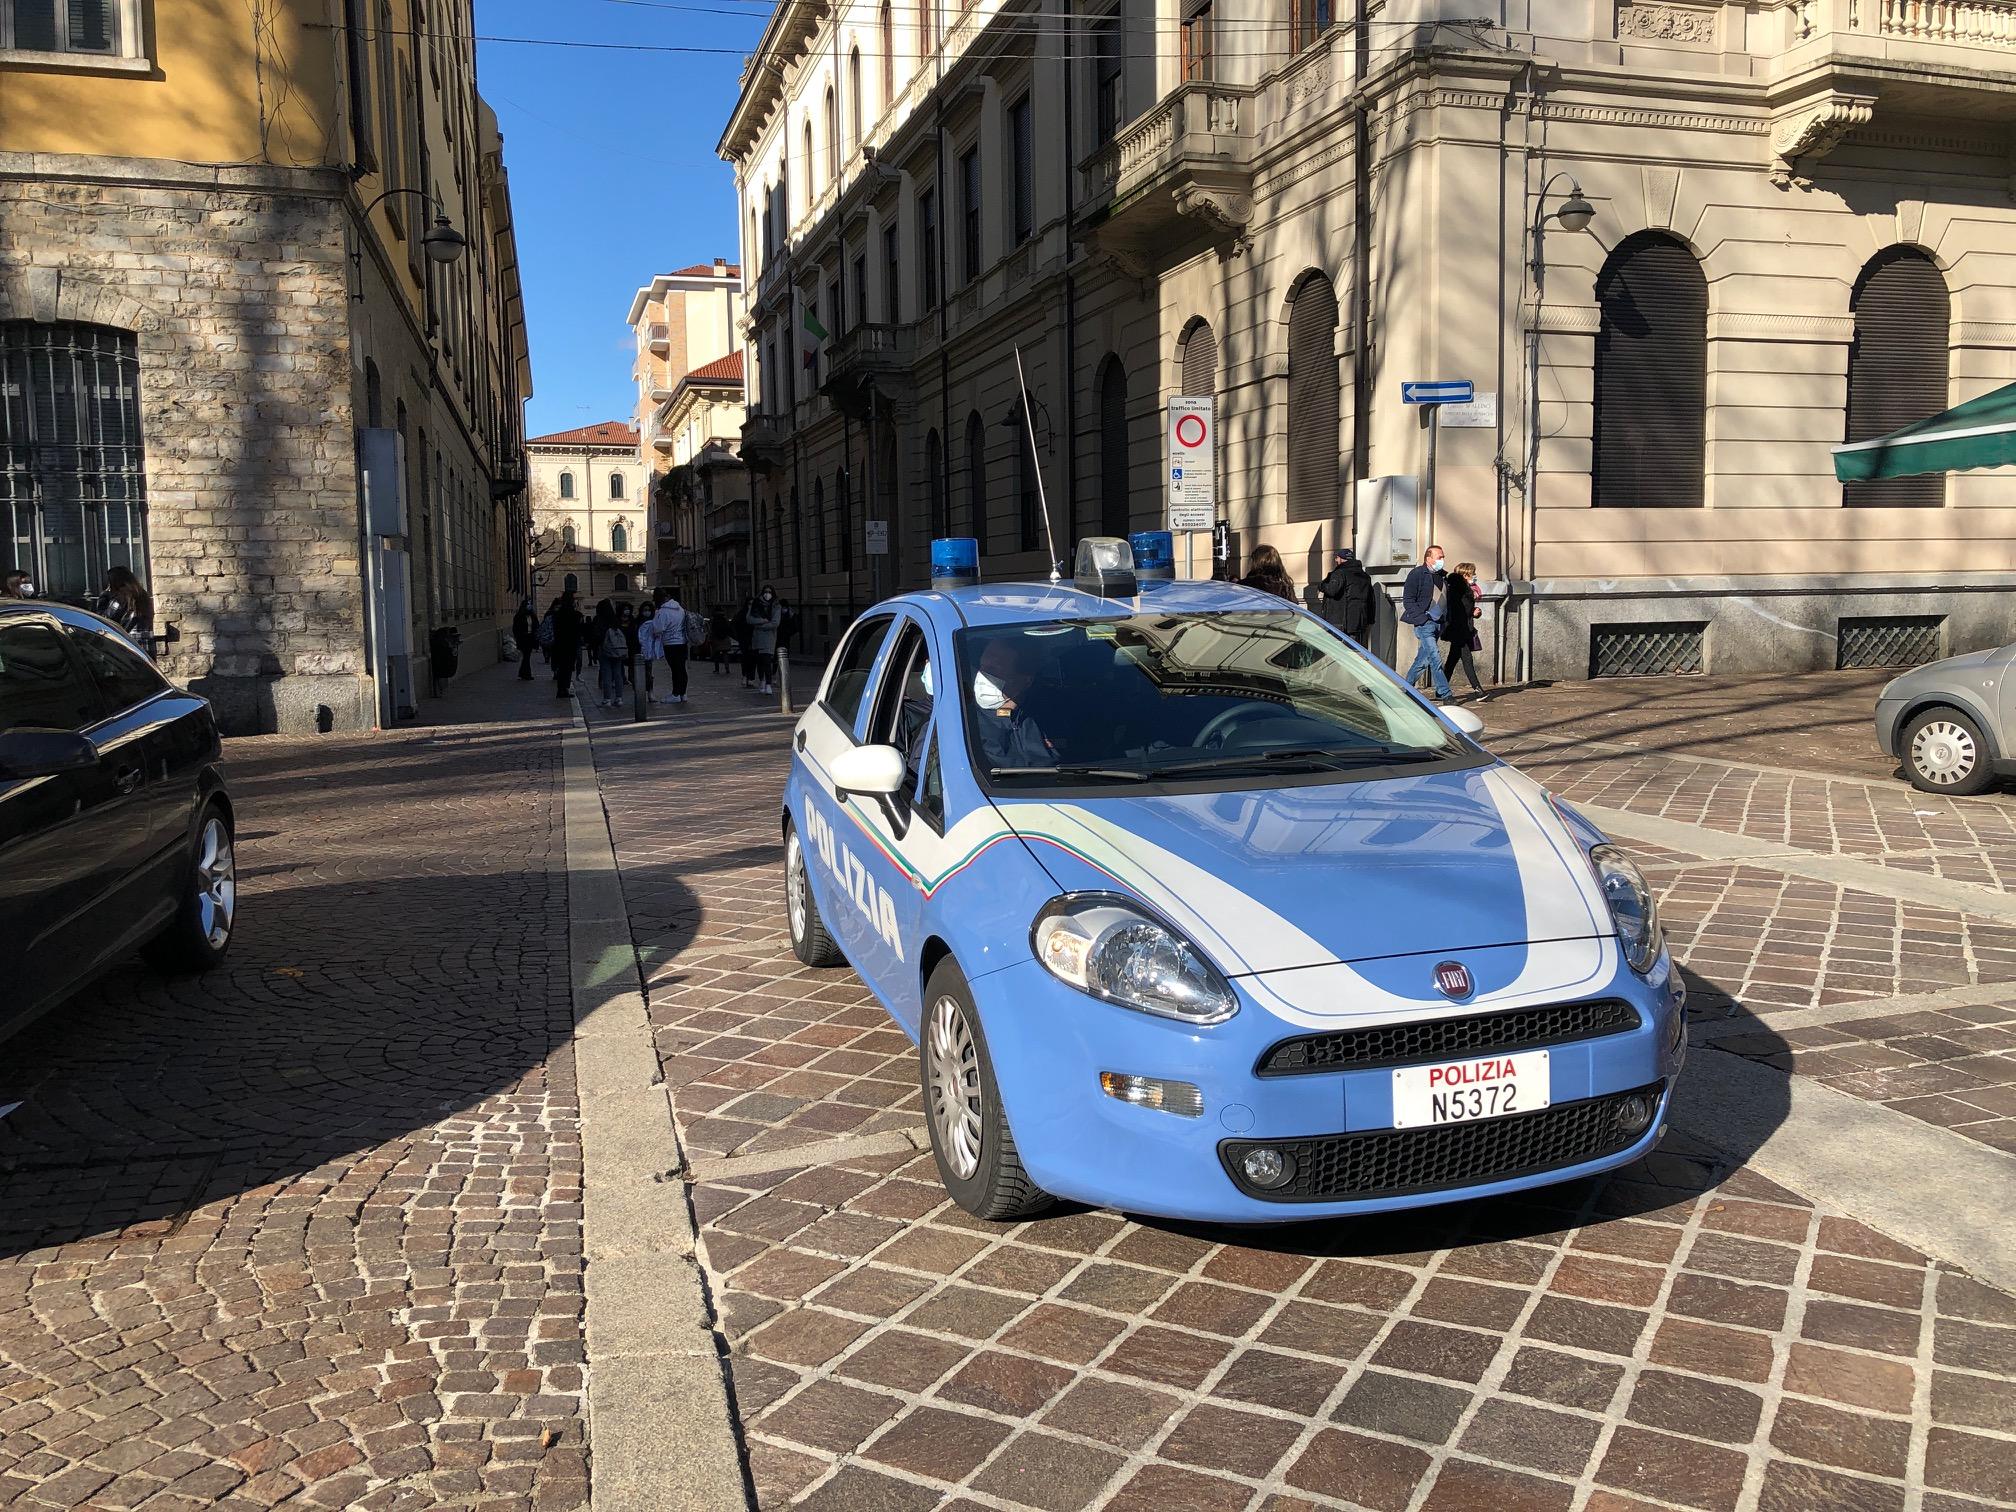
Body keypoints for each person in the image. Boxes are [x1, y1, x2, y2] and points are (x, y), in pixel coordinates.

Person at [971, 636, 1056, 770]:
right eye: (982, 667)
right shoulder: (964, 723)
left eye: (993, 670)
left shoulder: (1053, 713)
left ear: (1026, 680)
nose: (982, 676)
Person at [1399, 544, 1454, 701]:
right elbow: (1408, 600)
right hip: (1425, 623)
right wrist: (1422, 618)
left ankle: (1405, 689)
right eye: (1439, 557)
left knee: (1423, 661)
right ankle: (1445, 693)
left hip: (1438, 623)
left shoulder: (1443, 576)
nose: (1442, 560)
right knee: (1435, 656)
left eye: (1443, 557)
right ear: (1428, 558)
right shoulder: (1417, 574)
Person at [1440, 561, 1487, 698]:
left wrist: (1475, 612)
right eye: (1473, 574)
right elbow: (1461, 609)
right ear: (1465, 575)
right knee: (1467, 659)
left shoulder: (1464, 589)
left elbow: (1467, 609)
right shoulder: (1459, 590)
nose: (1475, 576)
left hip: (1462, 628)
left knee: (1452, 660)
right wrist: (1472, 610)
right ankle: (1477, 688)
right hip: (1458, 629)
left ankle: (1441, 689)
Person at [1317, 549, 1376, 641]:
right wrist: (1370, 621)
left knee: (1337, 651)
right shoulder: (1364, 576)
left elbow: (1332, 590)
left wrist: (1322, 585)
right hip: (1359, 623)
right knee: (1354, 652)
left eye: (1336, 558)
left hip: (1339, 622)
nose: (1336, 560)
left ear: (1341, 559)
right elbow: (1371, 600)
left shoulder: (1339, 573)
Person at [648, 589, 691, 705]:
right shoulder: (680, 609)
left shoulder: (663, 611)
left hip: (670, 643)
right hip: (682, 642)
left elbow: (658, 629)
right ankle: (683, 693)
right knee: (681, 668)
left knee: (675, 670)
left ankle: (675, 694)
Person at [94, 566, 154, 643]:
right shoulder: (143, 595)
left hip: (128, 645)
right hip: (146, 645)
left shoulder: (121, 598)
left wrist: (103, 597)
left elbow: (105, 621)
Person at [743, 587, 783, 695]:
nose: (767, 594)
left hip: (769, 638)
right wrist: (762, 621)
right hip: (757, 638)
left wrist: (760, 626)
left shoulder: (776, 606)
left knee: (766, 660)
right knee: (760, 661)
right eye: (765, 592)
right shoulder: (755, 605)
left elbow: (775, 623)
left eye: (769, 592)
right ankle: (762, 681)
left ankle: (768, 684)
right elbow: (749, 619)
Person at [549, 592, 582, 698]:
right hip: (570, 645)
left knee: (562, 667)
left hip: (559, 644)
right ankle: (565, 689)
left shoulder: (558, 614)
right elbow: (577, 629)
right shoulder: (574, 614)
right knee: (568, 668)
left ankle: (561, 689)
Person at [511, 597, 538, 680]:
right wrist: (518, 637)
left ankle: (523, 673)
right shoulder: (519, 616)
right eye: (528, 604)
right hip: (523, 638)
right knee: (526, 656)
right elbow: (515, 628)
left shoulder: (532, 616)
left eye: (530, 604)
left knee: (527, 656)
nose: (530, 606)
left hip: (530, 638)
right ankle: (526, 674)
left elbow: (536, 625)